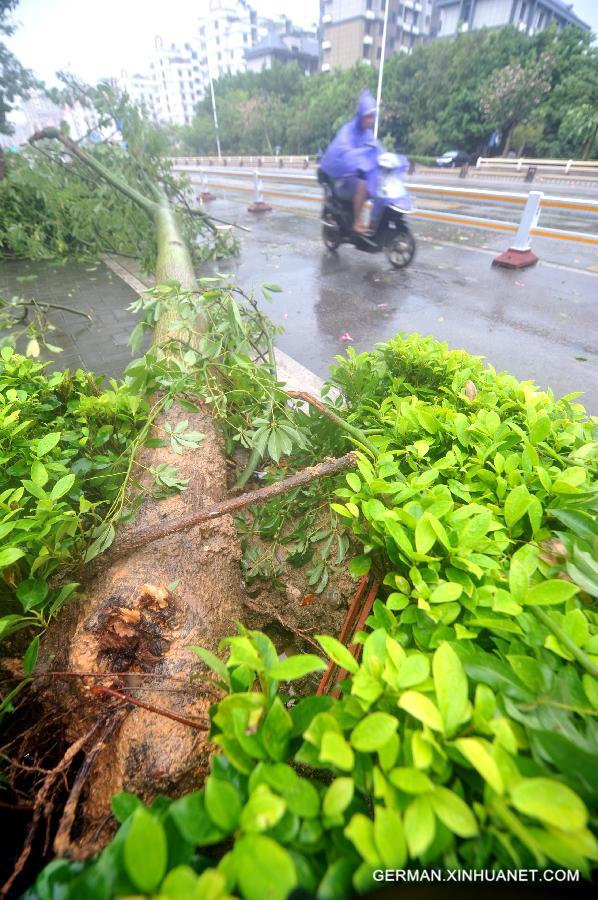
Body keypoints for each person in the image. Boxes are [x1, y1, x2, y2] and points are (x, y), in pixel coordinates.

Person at [319, 89, 381, 234]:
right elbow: (344, 150)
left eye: (372, 117)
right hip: (343, 181)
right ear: (361, 116)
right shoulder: (348, 131)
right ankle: (357, 221)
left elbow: (377, 149)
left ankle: (374, 222)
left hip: (356, 177)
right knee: (363, 185)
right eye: (368, 117)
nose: (370, 121)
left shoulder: (367, 134)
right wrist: (356, 157)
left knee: (379, 185)